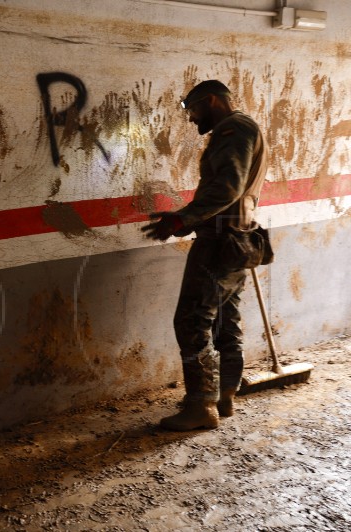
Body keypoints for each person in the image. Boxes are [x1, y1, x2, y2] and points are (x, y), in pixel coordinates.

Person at [141, 80, 268, 431]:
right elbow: (229, 190)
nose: (192, 118)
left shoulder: (232, 129)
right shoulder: (244, 127)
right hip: (237, 239)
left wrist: (183, 218)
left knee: (193, 320)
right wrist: (184, 223)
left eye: (193, 109)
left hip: (219, 243)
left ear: (211, 101)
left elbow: (227, 187)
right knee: (225, 317)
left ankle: (201, 405)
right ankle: (225, 393)